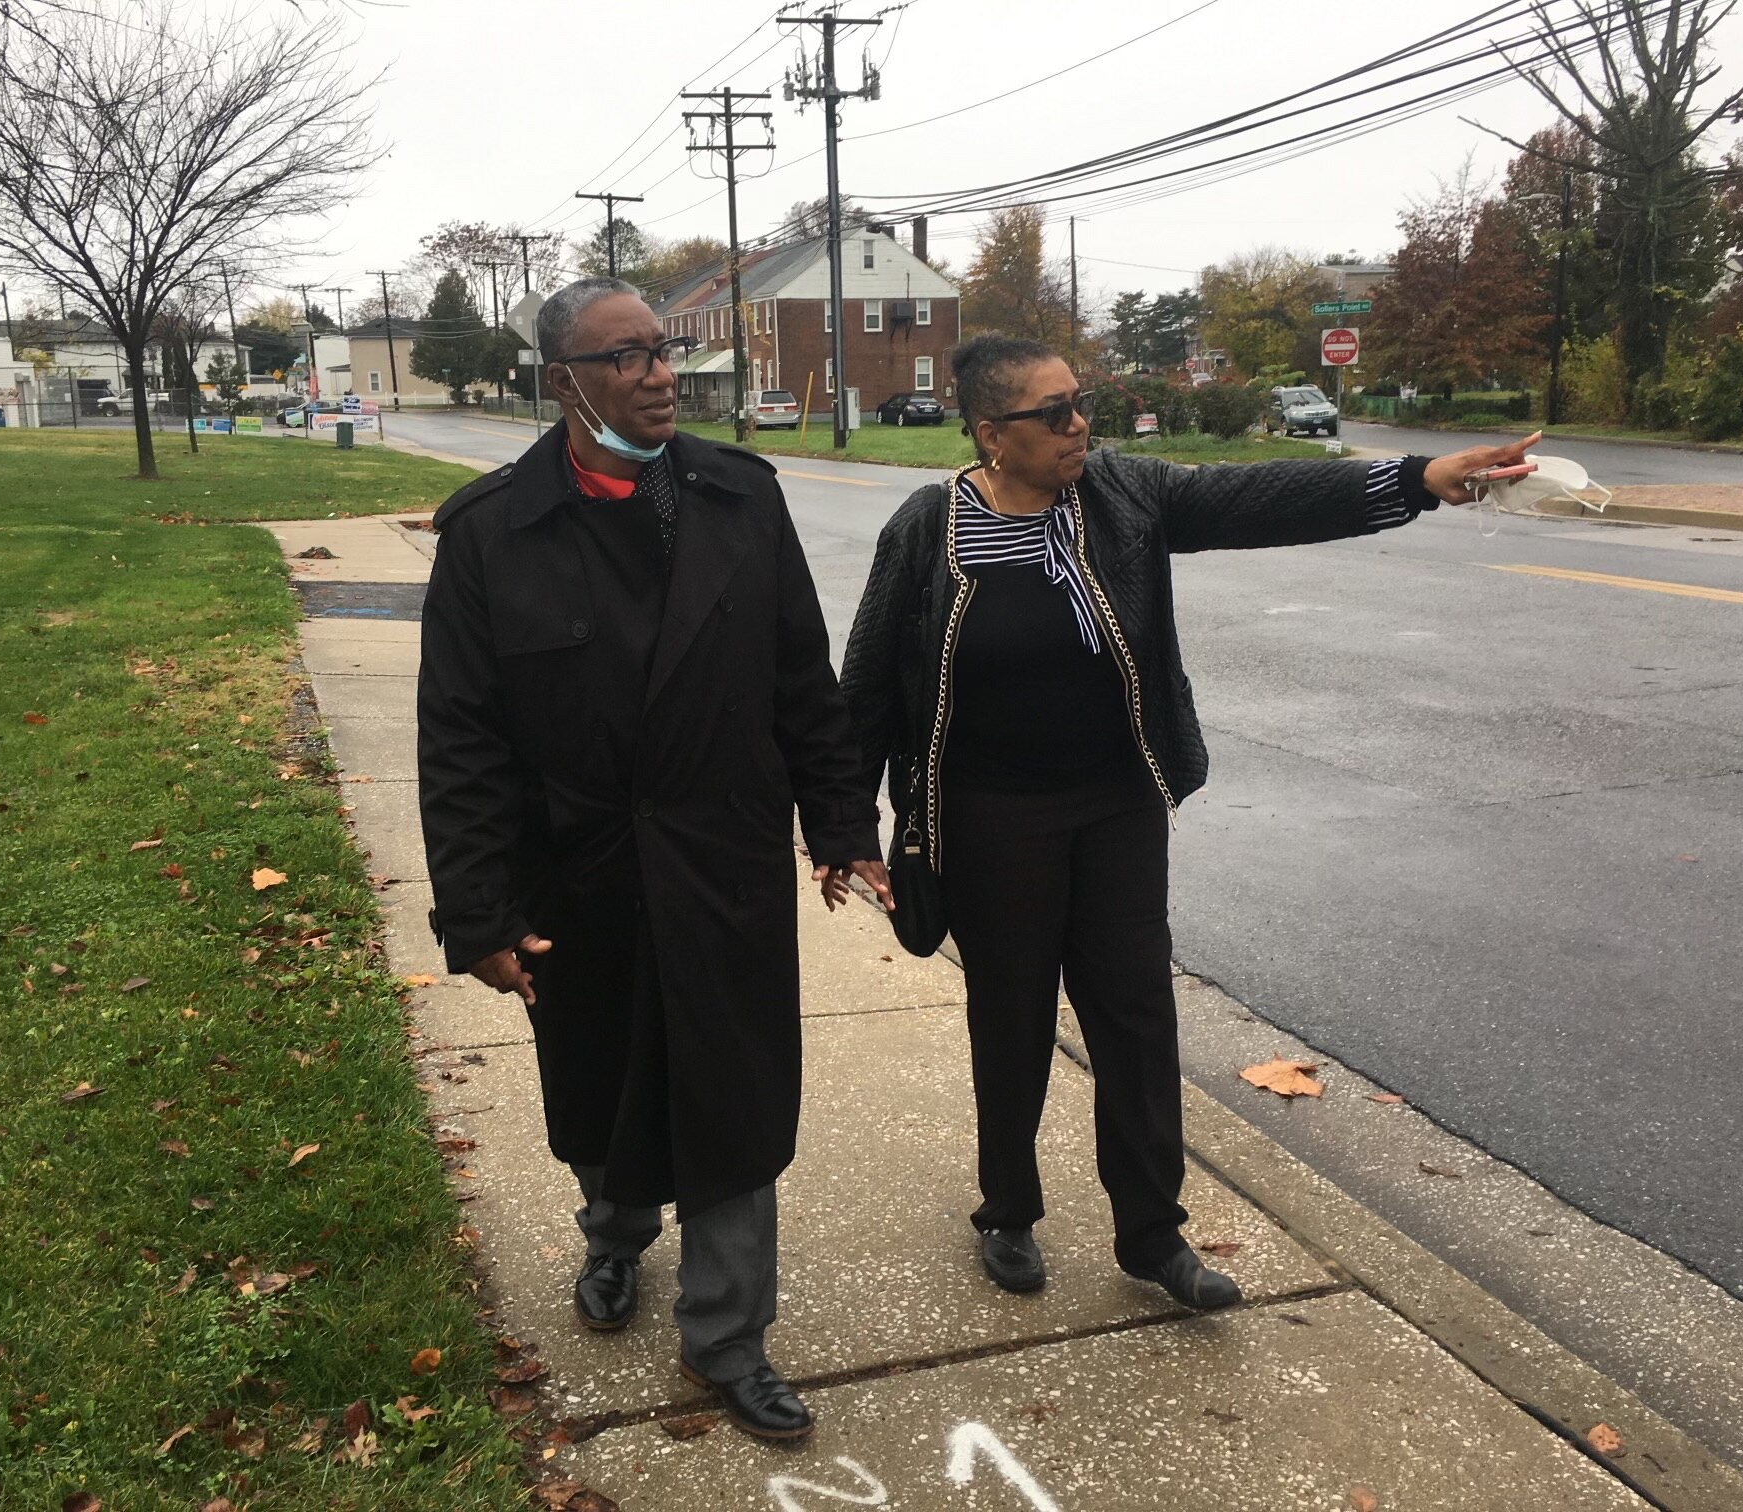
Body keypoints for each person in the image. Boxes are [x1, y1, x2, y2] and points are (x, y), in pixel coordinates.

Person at [839, 334, 1537, 1306]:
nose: (1079, 424)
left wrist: (1417, 478)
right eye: (1053, 413)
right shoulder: (930, 529)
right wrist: (846, 832)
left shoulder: (1121, 495)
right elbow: (866, 685)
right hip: (991, 818)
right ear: (993, 434)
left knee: (1134, 1013)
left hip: (1117, 804)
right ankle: (1007, 1210)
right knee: (1013, 1019)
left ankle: (1154, 1236)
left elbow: (1256, 499)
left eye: (1080, 403)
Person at [416, 277, 890, 1442]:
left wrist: (841, 825)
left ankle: (728, 1336)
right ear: (561, 383)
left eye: (662, 350)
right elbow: (461, 737)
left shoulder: (740, 497)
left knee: (732, 1098)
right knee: (606, 1089)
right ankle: (617, 1241)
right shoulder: (491, 533)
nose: (659, 373)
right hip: (574, 874)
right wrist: (475, 912)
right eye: (623, 358)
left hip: (719, 857)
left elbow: (800, 680)